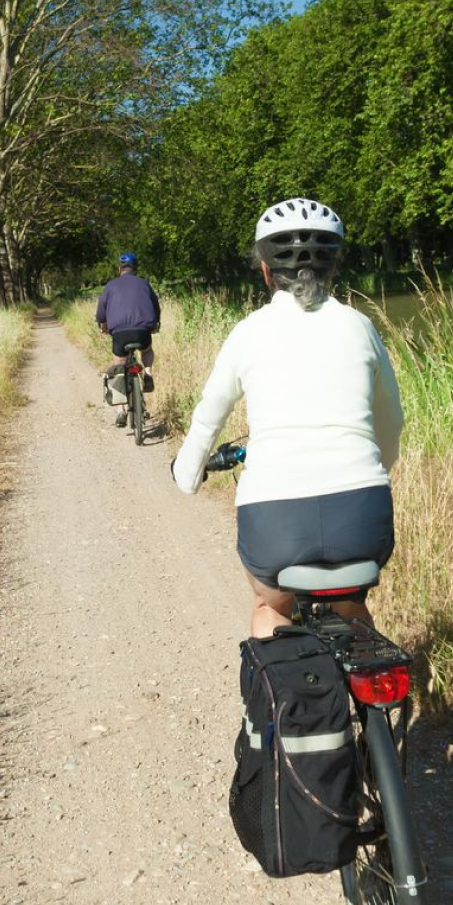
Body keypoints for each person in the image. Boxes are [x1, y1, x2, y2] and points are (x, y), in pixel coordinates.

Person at [171, 199, 403, 638]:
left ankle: (268, 706)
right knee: (353, 610)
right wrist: (377, 469)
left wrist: (187, 475)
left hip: (274, 522)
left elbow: (209, 416)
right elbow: (392, 419)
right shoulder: (360, 326)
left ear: (264, 270)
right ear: (334, 267)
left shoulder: (248, 332)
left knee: (271, 608)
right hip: (362, 512)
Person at [96, 253, 161, 418]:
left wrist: (103, 325)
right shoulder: (144, 283)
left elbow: (101, 310)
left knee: (118, 366)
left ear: (120, 269)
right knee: (146, 350)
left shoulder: (110, 285)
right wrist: (155, 324)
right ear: (135, 269)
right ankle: (147, 372)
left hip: (119, 333)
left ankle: (121, 410)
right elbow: (155, 306)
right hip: (142, 331)